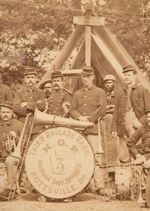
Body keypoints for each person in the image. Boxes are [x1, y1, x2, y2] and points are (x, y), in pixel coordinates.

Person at [70, 66, 106, 195]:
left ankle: (99, 185)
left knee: (96, 158)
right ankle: (82, 185)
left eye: (88, 77)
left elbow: (102, 109)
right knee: (80, 157)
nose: (85, 79)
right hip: (79, 130)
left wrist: (89, 119)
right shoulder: (77, 94)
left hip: (93, 128)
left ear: (93, 77)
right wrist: (80, 117)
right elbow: (72, 109)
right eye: (83, 77)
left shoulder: (100, 92)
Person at [111, 64, 150, 162]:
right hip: (122, 123)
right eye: (125, 75)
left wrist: (141, 123)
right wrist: (114, 128)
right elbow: (116, 111)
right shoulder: (120, 92)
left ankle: (137, 176)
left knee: (136, 150)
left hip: (136, 123)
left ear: (135, 76)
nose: (126, 77)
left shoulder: (143, 90)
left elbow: (148, 111)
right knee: (123, 153)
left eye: (128, 75)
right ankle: (126, 176)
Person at [0, 101, 23, 199]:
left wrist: (16, 137)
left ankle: (11, 190)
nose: (5, 115)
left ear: (12, 113)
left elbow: (25, 143)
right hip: (1, 155)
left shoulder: (19, 125)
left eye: (8, 112)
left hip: (15, 156)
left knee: (10, 161)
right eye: (3, 112)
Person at [127, 109, 150, 208]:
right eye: (148, 117)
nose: (149, 119)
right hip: (144, 157)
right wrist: (137, 155)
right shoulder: (142, 129)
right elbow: (130, 142)